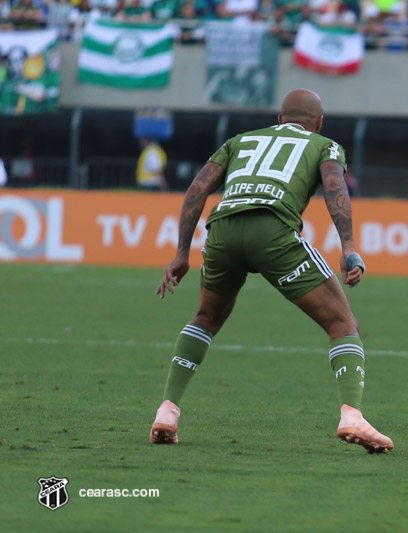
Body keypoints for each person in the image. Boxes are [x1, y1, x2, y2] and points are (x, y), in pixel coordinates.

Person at [149, 89, 393, 454]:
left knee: (206, 317)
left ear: (280, 119)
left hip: (222, 231)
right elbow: (333, 185)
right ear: (319, 122)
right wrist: (349, 248)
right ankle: (352, 415)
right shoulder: (325, 145)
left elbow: (198, 187)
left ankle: (167, 410)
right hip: (273, 231)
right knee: (342, 323)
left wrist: (182, 252)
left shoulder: (239, 141)